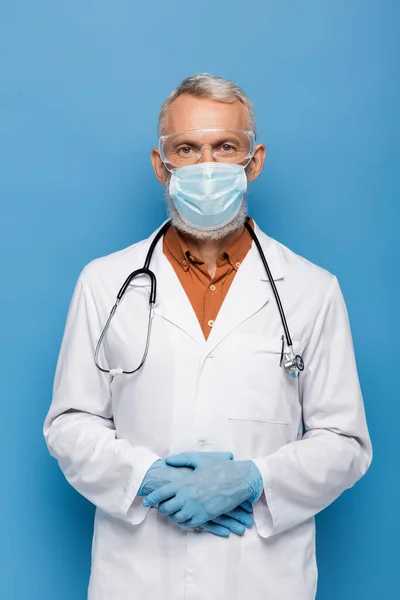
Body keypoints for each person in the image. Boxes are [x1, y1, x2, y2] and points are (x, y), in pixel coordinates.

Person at [44, 73, 372, 600]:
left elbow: (346, 441)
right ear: (161, 165)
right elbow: (69, 422)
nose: (207, 166)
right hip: (137, 577)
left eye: (225, 147)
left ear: (254, 161)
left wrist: (255, 481)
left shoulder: (312, 290)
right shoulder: (104, 283)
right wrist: (145, 476)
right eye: (187, 148)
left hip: (264, 577)